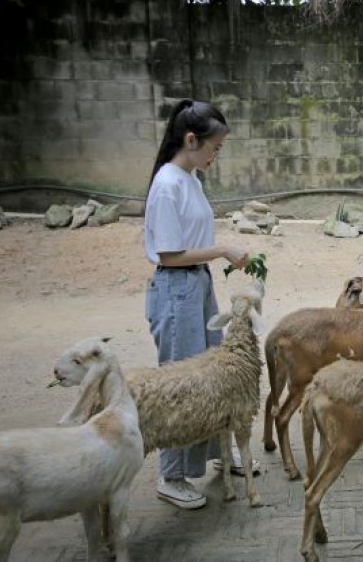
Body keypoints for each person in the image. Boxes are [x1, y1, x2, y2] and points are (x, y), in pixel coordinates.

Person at [144, 98, 259, 509]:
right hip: (176, 288)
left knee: (212, 372)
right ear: (190, 140)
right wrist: (223, 248)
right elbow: (170, 253)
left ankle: (218, 455)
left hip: (197, 284)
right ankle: (171, 475)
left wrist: (218, 253)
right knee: (182, 385)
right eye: (214, 148)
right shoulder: (168, 184)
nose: (217, 156)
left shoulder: (190, 178)